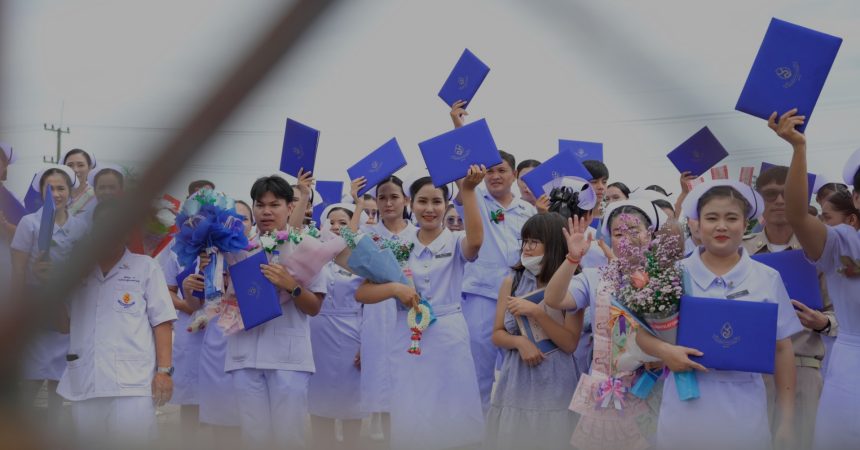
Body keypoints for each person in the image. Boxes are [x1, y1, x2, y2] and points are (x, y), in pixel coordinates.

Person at [636, 180, 801, 450]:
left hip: (745, 410)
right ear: (697, 224)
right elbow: (642, 336)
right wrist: (666, 352)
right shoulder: (673, 275)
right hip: (685, 408)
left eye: (731, 218)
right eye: (712, 218)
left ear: (746, 224)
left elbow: (783, 349)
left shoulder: (767, 278)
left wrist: (787, 421)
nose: (721, 226)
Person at [355, 166, 487, 450]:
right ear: (410, 204)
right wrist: (395, 289)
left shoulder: (455, 241)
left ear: (447, 205)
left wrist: (469, 191)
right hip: (407, 337)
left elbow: (475, 242)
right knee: (411, 410)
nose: (429, 209)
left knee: (453, 410)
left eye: (437, 202)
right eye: (422, 201)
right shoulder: (396, 246)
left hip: (449, 336)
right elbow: (362, 292)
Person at [544, 199, 668, 450]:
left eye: (634, 231)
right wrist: (572, 259)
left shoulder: (667, 280)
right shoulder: (595, 276)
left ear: (650, 235)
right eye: (618, 234)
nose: (626, 239)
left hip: (651, 386)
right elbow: (554, 299)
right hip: (605, 387)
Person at [769, 108, 860, 449]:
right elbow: (796, 215)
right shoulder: (843, 244)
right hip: (853, 377)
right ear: (857, 199)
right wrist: (798, 148)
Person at [56, 199, 176, 444]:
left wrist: (164, 372)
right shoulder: (76, 273)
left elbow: (162, 322)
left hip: (133, 384)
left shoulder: (146, 267)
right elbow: (62, 325)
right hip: (86, 381)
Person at [225, 175, 327, 448]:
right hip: (245, 355)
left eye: (274, 204)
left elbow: (315, 307)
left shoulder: (307, 247)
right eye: (260, 205)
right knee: (253, 437)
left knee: (288, 438)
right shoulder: (237, 250)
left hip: (287, 359)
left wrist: (292, 286)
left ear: (290, 207)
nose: (266, 211)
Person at [451, 97, 539, 413]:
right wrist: (458, 125)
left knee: (519, 368)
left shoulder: (528, 210)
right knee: (479, 369)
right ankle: (476, 429)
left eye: (502, 170)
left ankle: (511, 428)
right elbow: (463, 172)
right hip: (481, 296)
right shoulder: (475, 198)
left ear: (514, 175)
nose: (495, 175)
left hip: (519, 298)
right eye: (489, 171)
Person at [741, 165, 838, 449]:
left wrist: (823, 322)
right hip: (751, 372)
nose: (780, 201)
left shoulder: (819, 250)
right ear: (759, 200)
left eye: (787, 193)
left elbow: (842, 313)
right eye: (771, 194)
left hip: (803, 366)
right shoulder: (740, 252)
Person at [484, 211, 583, 450]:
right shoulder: (513, 281)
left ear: (553, 245)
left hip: (556, 379)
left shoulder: (575, 283)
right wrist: (520, 343)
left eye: (534, 242)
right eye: (525, 241)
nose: (526, 248)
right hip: (516, 378)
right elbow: (497, 333)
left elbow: (570, 343)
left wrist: (537, 313)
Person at [11, 166, 88, 417]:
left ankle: (54, 427)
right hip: (37, 308)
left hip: (67, 311)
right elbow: (18, 271)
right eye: (50, 189)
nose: (56, 194)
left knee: (60, 381)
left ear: (70, 192)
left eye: (61, 188)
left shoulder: (80, 227)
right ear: (41, 191)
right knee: (31, 379)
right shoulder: (29, 223)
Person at [351, 174, 415, 440]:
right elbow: (347, 246)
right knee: (382, 387)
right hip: (377, 314)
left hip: (411, 314)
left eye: (394, 197)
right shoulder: (369, 235)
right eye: (382, 198)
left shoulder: (417, 234)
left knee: (410, 388)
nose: (388, 203)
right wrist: (357, 204)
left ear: (406, 200)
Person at [308, 203, 366, 449]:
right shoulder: (313, 256)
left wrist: (366, 344)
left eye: (343, 223)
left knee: (352, 403)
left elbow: (370, 308)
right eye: (331, 222)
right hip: (317, 334)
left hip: (352, 333)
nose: (336, 227)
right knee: (318, 402)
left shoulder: (363, 259)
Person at [63, 149, 97, 217]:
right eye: (70, 165)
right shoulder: (56, 194)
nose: (75, 170)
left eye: (81, 165)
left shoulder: (96, 196)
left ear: (89, 168)